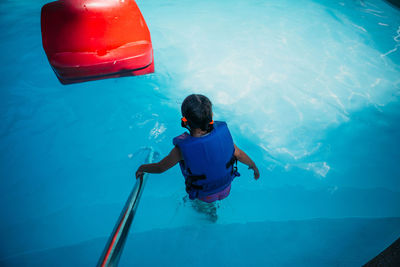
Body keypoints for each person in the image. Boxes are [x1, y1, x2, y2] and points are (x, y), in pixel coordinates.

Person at [135, 94, 260, 205]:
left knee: (203, 207)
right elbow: (239, 154)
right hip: (226, 187)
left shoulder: (181, 150)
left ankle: (208, 212)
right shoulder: (223, 135)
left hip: (205, 194)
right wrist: (253, 166)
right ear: (211, 117)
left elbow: (160, 168)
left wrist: (142, 168)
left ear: (185, 121)